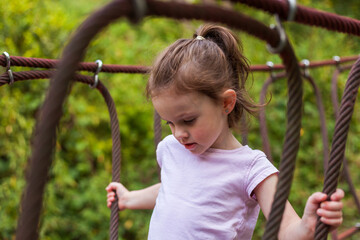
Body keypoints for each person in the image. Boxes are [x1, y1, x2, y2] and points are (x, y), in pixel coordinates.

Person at [106, 24, 344, 239]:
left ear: (225, 103)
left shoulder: (251, 169)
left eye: (188, 120)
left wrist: (308, 226)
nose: (178, 133)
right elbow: (175, 188)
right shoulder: (172, 149)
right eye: (169, 122)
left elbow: (287, 230)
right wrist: (130, 198)